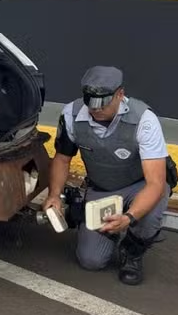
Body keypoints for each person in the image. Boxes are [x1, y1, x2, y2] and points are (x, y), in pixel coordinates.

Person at [43, 66, 170, 285]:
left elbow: (156, 183)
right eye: (90, 104)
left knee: (149, 213)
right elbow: (62, 159)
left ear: (120, 94)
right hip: (102, 187)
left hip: (139, 185)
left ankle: (132, 251)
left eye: (103, 105)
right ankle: (107, 228)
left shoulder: (145, 120)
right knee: (91, 260)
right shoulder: (71, 114)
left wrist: (129, 218)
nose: (96, 110)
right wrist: (54, 195)